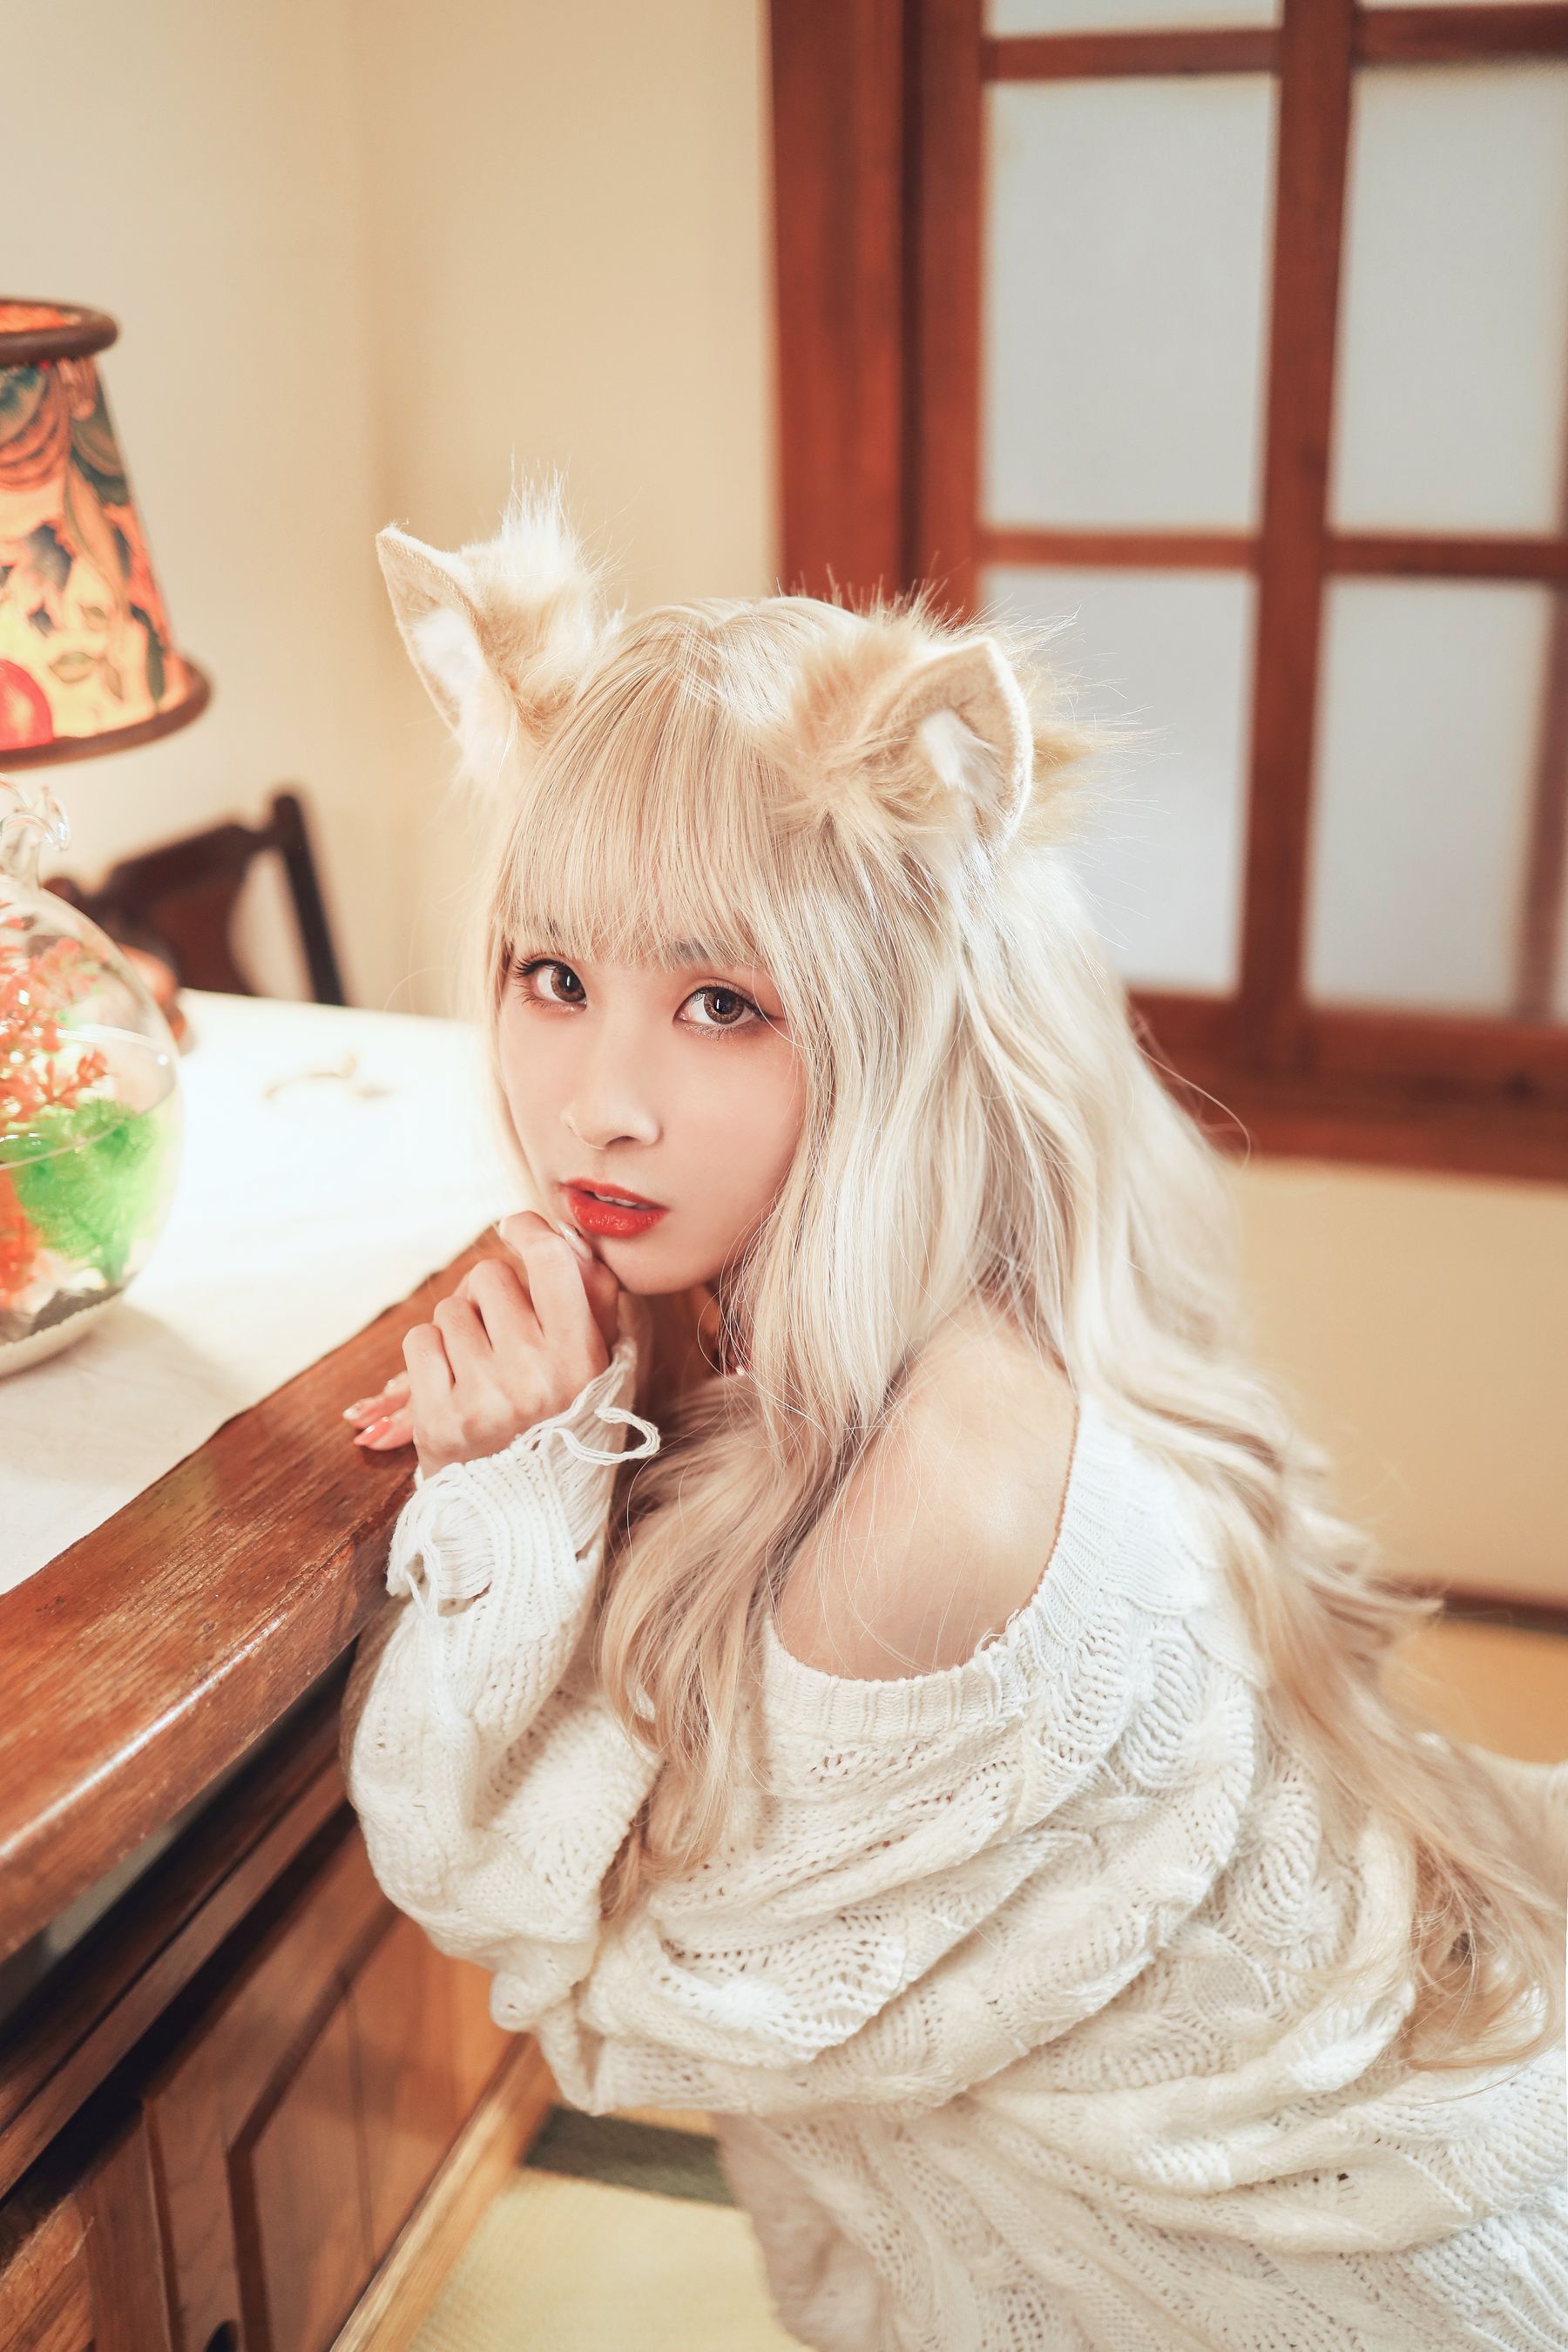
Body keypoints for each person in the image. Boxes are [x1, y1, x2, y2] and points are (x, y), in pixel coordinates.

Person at [339, 480, 1568, 2351]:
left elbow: (616, 2008)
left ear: (900, 1024)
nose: (600, 1103)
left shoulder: (943, 1493)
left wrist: (517, 1503)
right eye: (556, 977)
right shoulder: (937, 1302)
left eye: (726, 1003)